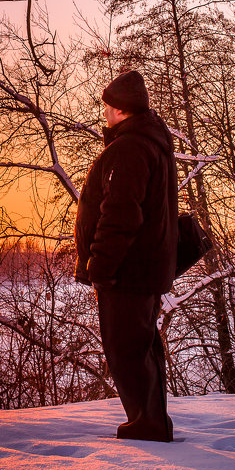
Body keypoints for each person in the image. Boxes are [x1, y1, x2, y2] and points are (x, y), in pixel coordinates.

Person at [74, 69, 178, 442]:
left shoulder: (131, 148)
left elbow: (120, 214)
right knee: (141, 346)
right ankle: (150, 420)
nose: (104, 112)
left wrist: (100, 267)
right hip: (140, 270)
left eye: (108, 106)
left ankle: (147, 424)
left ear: (120, 109)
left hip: (126, 272)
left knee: (127, 349)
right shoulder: (149, 144)